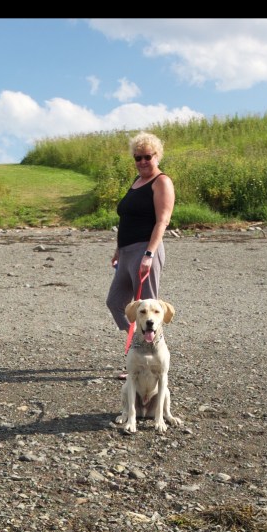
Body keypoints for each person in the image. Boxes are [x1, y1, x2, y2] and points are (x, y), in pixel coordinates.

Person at [106, 132, 176, 373]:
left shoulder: (161, 182)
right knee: (115, 302)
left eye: (148, 156)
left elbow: (162, 221)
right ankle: (140, 345)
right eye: (138, 157)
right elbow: (128, 219)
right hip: (126, 252)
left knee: (149, 311)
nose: (143, 161)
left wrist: (149, 254)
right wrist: (118, 249)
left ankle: (150, 363)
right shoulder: (137, 181)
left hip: (145, 251)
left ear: (157, 156)